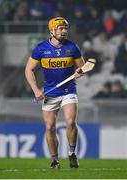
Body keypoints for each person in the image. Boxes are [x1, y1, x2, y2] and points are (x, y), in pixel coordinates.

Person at [25, 17, 85, 169]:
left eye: (65, 28)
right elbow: (28, 69)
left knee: (70, 121)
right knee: (50, 127)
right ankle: (55, 160)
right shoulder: (40, 48)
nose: (64, 31)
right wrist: (36, 90)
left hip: (68, 90)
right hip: (50, 92)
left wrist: (80, 72)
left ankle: (72, 154)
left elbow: (82, 67)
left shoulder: (73, 47)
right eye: (60, 28)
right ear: (52, 30)